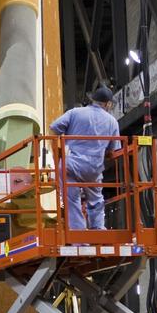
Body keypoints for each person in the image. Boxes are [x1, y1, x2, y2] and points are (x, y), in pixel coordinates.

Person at [49, 86, 122, 230]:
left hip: (71, 166)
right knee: (96, 199)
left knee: (71, 199)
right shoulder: (112, 121)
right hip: (93, 169)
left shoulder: (75, 113)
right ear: (107, 104)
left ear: (93, 100)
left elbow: (53, 129)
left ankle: (78, 234)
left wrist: (56, 155)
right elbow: (113, 151)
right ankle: (98, 229)